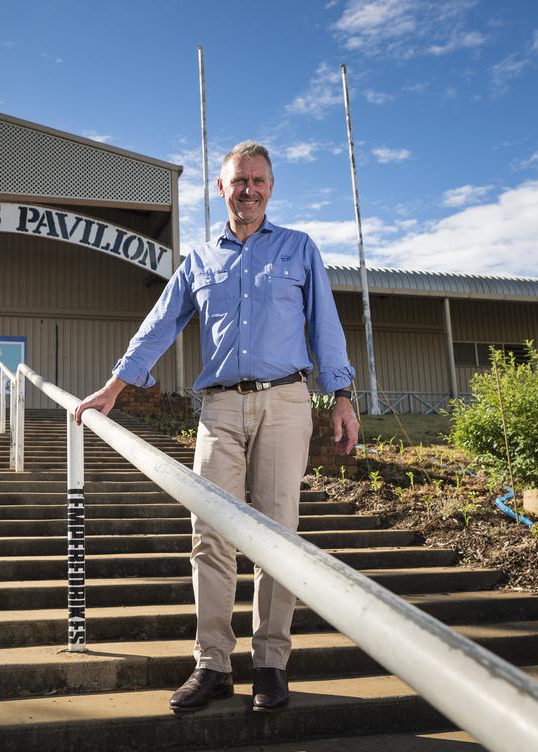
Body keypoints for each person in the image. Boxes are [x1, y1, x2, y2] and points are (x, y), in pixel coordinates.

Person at [74, 141, 359, 714]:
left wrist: (343, 395)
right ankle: (213, 663)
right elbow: (159, 326)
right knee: (210, 532)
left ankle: (272, 663)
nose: (248, 190)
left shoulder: (300, 249)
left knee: (278, 537)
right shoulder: (200, 261)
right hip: (220, 409)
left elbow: (324, 325)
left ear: (270, 188)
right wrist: (113, 387)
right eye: (238, 181)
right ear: (222, 190)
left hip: (285, 402)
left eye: (258, 180)